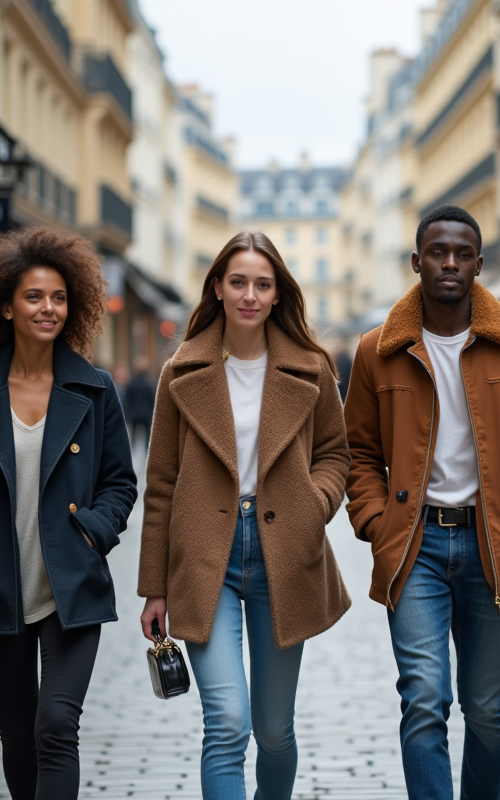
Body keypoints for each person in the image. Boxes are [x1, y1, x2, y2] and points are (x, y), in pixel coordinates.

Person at [343, 205, 500, 800]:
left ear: (478, 263)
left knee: (487, 708)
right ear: (417, 262)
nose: (449, 263)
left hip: (494, 542)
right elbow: (357, 453)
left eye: (461, 254)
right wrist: (373, 520)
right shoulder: (376, 351)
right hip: (412, 545)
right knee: (423, 698)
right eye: (437, 252)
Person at [0, 227, 138, 800]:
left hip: (72, 585)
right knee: (17, 737)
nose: (49, 308)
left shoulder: (95, 390)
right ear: (5, 305)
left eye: (60, 297)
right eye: (35, 297)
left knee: (56, 728)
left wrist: (95, 531)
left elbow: (120, 482)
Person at [139, 230, 350, 800]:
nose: (250, 294)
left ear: (278, 293)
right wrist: (153, 589)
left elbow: (336, 455)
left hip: (286, 552)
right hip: (207, 555)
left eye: (263, 283)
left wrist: (316, 503)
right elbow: (159, 484)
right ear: (218, 288)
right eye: (238, 282)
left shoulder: (311, 369)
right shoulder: (181, 372)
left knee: (274, 732)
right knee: (227, 723)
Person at [123, 361, 155, 452]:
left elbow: (127, 399)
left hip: (134, 413)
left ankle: (132, 450)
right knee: (147, 435)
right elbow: (152, 399)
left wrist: (127, 412)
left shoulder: (132, 383)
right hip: (146, 413)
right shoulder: (148, 384)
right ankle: (146, 451)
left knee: (133, 434)